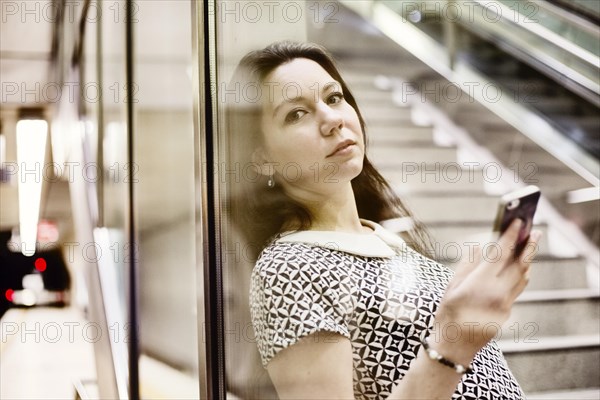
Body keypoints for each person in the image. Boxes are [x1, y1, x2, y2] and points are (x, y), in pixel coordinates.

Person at [226, 41, 541, 400]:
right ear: (263, 158)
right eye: (296, 114)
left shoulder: (390, 242)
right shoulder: (288, 269)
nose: (332, 120)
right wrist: (454, 338)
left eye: (333, 98)